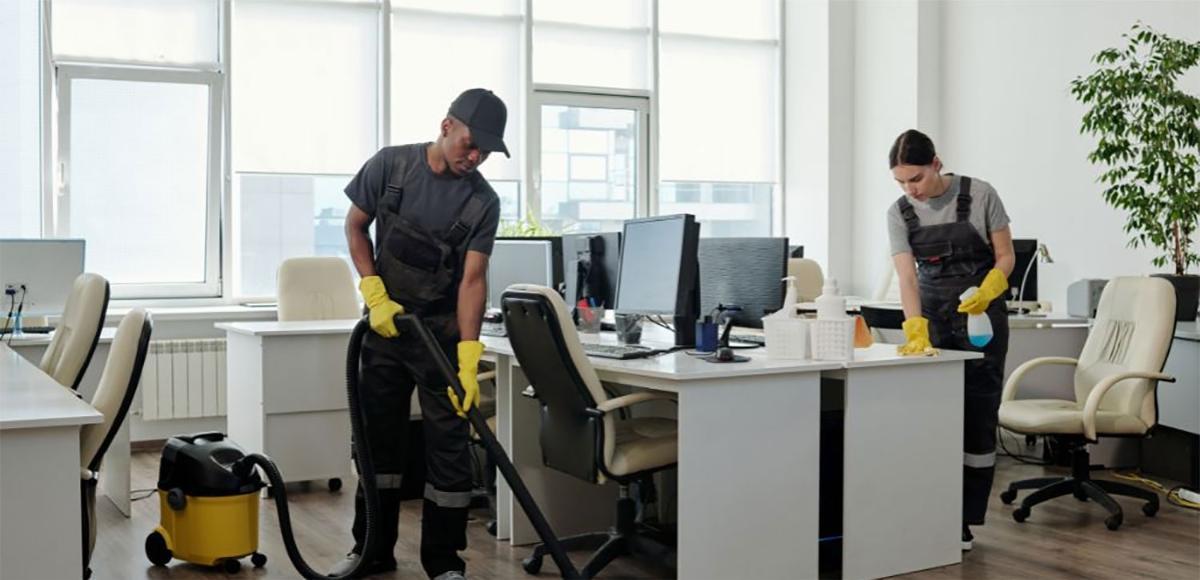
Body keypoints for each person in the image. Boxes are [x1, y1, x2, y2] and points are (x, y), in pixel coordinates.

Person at [334, 88, 506, 579]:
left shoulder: (483, 202)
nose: (476, 157)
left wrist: (469, 357)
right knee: (377, 443)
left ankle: (444, 562)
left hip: (440, 339)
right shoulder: (391, 167)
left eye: (486, 152)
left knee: (449, 450)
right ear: (447, 126)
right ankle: (371, 550)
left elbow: (473, 280)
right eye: (471, 144)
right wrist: (373, 292)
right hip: (385, 329)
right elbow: (355, 226)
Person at [886, 129, 1013, 552]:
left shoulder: (980, 195)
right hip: (934, 319)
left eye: (916, 178)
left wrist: (990, 288)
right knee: (934, 418)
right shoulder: (899, 212)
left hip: (981, 318)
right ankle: (931, 512)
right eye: (901, 182)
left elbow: (1005, 256)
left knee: (977, 418)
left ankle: (964, 520)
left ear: (936, 164)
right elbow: (907, 278)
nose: (911, 190)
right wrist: (914, 327)